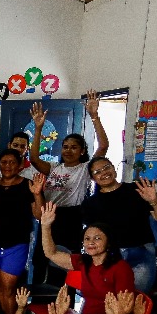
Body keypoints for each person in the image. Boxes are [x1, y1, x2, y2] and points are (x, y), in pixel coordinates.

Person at [29, 92, 109, 253]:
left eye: (74, 147)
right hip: (49, 214)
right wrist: (38, 128)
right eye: (65, 147)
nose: (68, 150)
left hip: (71, 217)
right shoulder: (54, 167)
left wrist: (94, 116)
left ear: (82, 151)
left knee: (66, 260)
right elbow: (34, 159)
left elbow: (103, 146)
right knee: (42, 257)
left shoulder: (85, 168)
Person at [39, 201, 135, 314]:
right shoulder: (83, 262)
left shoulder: (121, 268)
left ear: (109, 243)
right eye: (87, 238)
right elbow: (51, 254)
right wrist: (45, 226)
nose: (91, 242)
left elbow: (124, 309)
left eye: (97, 238)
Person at [81, 159, 157, 292]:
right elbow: (92, 235)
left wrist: (154, 200)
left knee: (138, 299)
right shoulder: (90, 204)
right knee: (111, 301)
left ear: (114, 168)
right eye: (97, 172)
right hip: (109, 256)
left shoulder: (137, 189)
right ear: (92, 178)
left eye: (106, 167)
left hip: (141, 252)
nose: (104, 173)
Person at [0, 149, 41, 314]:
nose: (8, 166)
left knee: (9, 287)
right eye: (4, 162)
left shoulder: (27, 185)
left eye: (12, 162)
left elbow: (39, 214)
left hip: (16, 245)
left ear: (20, 165)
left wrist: (37, 194)